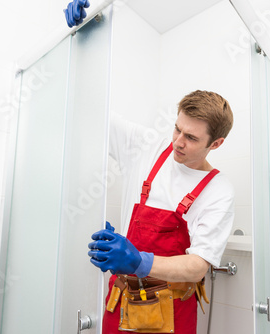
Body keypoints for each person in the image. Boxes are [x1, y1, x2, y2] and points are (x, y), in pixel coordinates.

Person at [88, 90, 235, 333]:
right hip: (122, 302)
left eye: (191, 137)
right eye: (177, 129)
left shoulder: (218, 190)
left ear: (216, 143)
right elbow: (94, 113)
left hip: (173, 313)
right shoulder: (145, 147)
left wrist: (137, 260)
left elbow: (198, 265)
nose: (178, 142)